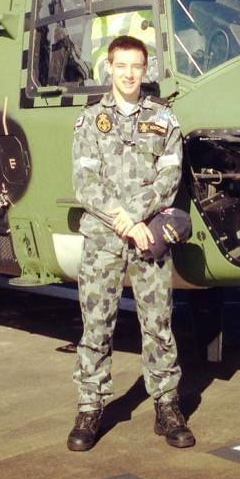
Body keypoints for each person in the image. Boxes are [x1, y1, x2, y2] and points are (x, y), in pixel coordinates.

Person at [68, 35, 194, 451]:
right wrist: (125, 222)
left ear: (146, 69)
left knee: (158, 325)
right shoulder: (89, 121)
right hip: (104, 241)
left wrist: (137, 218)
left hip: (148, 239)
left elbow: (169, 179)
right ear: (109, 67)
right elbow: (85, 184)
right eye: (121, 65)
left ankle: (167, 406)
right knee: (96, 327)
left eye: (136, 66)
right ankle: (90, 407)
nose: (128, 73)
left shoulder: (164, 119)